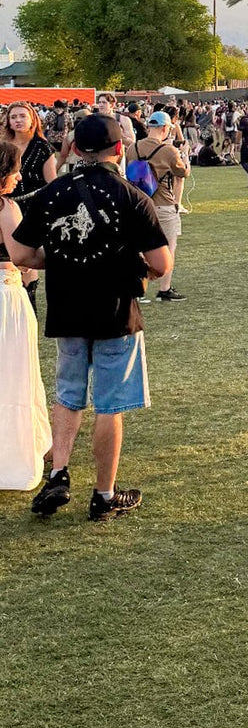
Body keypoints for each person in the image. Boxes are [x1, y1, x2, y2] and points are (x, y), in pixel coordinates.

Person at [6, 114, 173, 520]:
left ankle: (59, 472)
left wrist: (60, 260)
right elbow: (161, 263)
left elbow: (22, 255)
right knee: (109, 406)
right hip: (117, 312)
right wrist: (137, 267)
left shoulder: (52, 193)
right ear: (119, 149)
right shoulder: (133, 196)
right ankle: (103, 495)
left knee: (68, 396)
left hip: (67, 306)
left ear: (75, 149)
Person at [0, 141, 52, 490]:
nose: (20, 177)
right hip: (5, 295)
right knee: (12, 373)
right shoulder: (5, 209)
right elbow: (24, 257)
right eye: (16, 170)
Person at [126, 111, 190, 302]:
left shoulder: (133, 147)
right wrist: (184, 154)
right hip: (163, 203)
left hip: (138, 203)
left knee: (137, 247)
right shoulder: (168, 150)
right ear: (165, 128)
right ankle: (164, 288)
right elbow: (182, 173)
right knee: (169, 247)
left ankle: (137, 288)